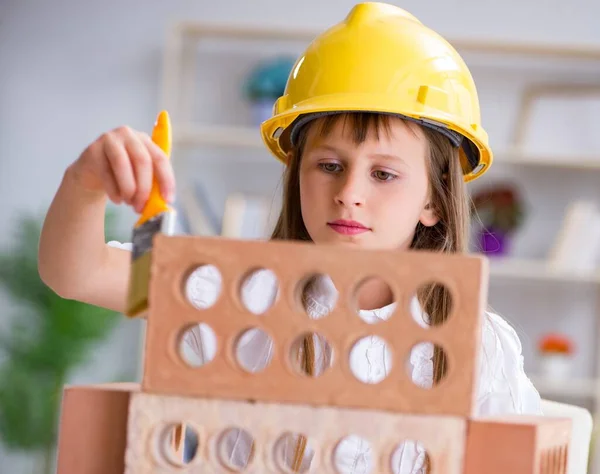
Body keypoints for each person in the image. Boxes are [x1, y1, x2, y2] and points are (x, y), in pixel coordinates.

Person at [38, 2, 542, 473]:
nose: (348, 193)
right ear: (297, 173)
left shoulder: (481, 344)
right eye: (329, 165)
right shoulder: (240, 293)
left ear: (433, 200)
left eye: (383, 175)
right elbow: (75, 273)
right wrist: (83, 186)